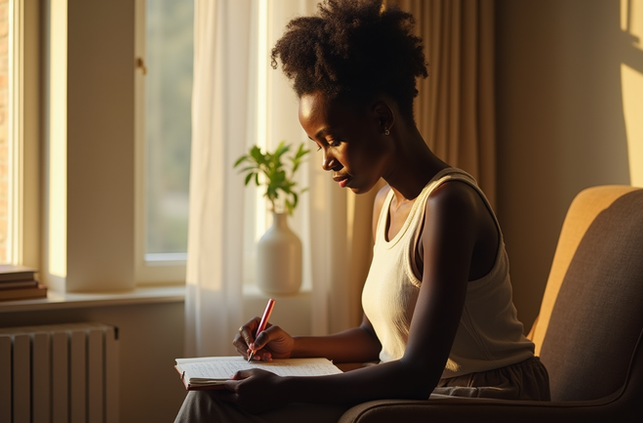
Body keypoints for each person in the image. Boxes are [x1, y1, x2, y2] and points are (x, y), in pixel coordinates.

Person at [174, 0, 549, 421]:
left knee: (213, 405)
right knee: (208, 400)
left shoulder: (449, 206)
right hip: (419, 390)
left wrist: (284, 389)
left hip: (481, 397)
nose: (325, 161)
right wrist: (294, 347)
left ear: (382, 118)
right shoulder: (385, 203)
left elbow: (418, 371)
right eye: (318, 145)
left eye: (332, 138)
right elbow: (375, 338)